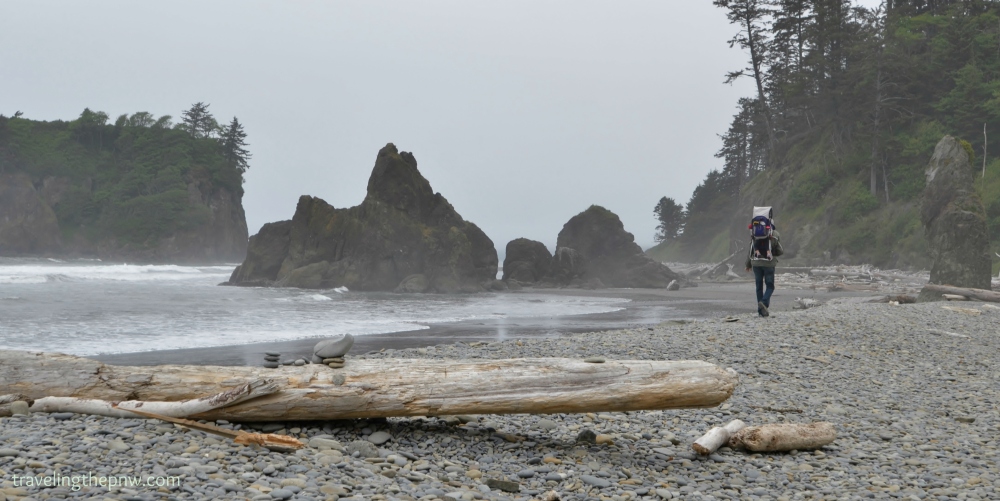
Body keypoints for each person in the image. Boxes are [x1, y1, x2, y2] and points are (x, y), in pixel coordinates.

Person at [745, 229, 783, 317]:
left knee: (759, 287)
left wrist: (748, 264)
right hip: (769, 264)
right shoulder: (775, 234)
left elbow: (751, 250)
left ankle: (761, 311)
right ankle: (764, 303)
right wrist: (772, 253)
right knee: (770, 286)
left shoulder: (755, 232)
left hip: (756, 263)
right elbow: (780, 251)